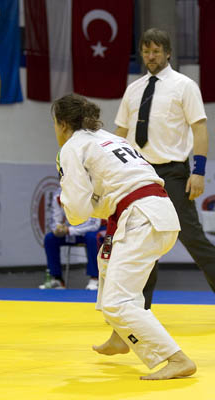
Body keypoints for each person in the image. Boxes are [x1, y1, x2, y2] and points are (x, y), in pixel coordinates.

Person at [52, 93, 196, 380]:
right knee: (107, 262)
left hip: (140, 218)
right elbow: (120, 191)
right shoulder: (113, 139)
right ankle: (121, 337)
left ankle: (175, 358)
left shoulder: (72, 147)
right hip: (159, 213)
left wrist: (67, 203)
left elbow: (79, 211)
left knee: (118, 301)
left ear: (64, 124)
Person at [115, 28, 215, 309]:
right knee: (141, 243)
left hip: (173, 172)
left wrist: (199, 170)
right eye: (146, 51)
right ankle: (140, 310)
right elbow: (120, 133)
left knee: (192, 238)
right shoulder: (134, 90)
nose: (150, 56)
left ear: (168, 53)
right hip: (138, 174)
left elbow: (199, 128)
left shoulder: (184, 86)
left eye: (156, 51)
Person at [39, 186, 103, 290]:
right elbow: (55, 219)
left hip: (97, 229)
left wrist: (69, 231)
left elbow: (94, 223)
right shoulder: (59, 194)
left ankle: (95, 278)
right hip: (73, 231)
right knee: (50, 239)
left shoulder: (91, 192)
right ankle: (57, 279)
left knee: (92, 238)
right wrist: (58, 229)